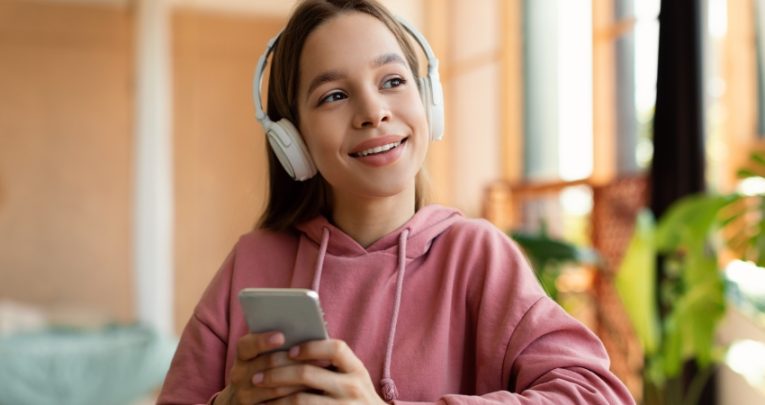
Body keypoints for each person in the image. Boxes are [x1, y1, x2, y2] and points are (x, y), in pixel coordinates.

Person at [158, 0, 635, 404]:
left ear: (430, 102)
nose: (373, 112)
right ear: (292, 139)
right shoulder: (252, 262)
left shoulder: (476, 256)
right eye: (335, 95)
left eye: (391, 81)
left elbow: (598, 394)